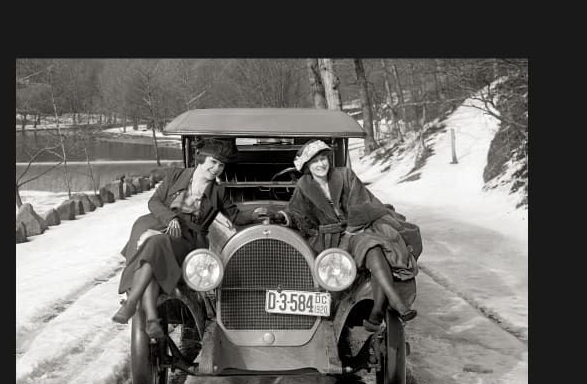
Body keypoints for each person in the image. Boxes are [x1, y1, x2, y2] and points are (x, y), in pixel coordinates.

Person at [112, 138, 257, 339]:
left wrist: (257, 214)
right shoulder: (175, 175)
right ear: (201, 160)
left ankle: (131, 304)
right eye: (213, 162)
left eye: (221, 165)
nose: (216, 169)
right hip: (160, 228)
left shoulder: (218, 191)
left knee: (154, 244)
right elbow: (154, 202)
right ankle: (152, 319)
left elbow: (236, 216)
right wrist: (170, 217)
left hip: (189, 243)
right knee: (153, 253)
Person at [279, 139, 421, 330]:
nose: (321, 164)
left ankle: (389, 304)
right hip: (326, 241)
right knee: (358, 255)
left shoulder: (345, 175)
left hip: (357, 229)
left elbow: (360, 205)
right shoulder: (303, 186)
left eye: (323, 159)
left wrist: (349, 232)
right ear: (307, 166)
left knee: (373, 246)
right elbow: (295, 212)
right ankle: (378, 313)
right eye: (314, 162)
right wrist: (280, 216)